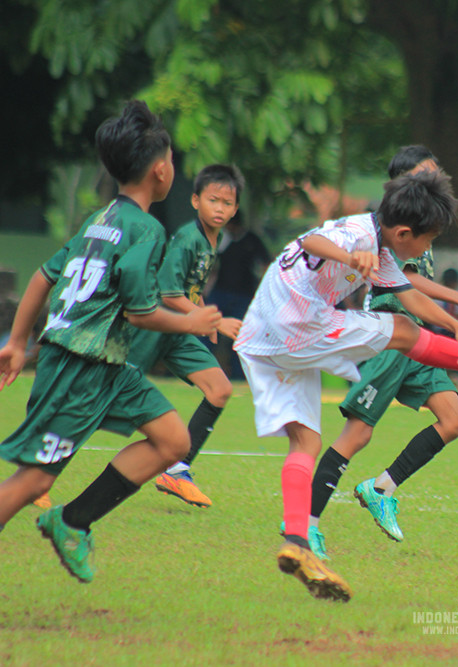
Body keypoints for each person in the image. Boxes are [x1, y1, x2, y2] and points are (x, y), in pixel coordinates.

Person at [233, 167, 458, 602]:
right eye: (428, 239)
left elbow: (411, 293)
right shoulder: (358, 233)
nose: (428, 247)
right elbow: (311, 240)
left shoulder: (384, 250)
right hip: (298, 325)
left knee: (305, 443)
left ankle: (298, 542)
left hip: (261, 337)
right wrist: (350, 258)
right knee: (402, 330)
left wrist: (455, 326)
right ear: (404, 232)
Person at [0, 100, 221, 583]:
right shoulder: (146, 230)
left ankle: (71, 521)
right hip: (78, 364)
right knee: (35, 477)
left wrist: (18, 341)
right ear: (161, 171)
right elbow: (141, 312)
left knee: (172, 439)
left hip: (107, 365)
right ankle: (65, 516)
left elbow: (42, 275)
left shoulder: (99, 218)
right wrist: (193, 321)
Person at [304, 146, 458, 560]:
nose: (435, 177)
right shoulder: (389, 229)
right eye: (426, 172)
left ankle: (382, 488)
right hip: (392, 329)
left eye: (436, 170)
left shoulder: (423, 222)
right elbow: (404, 284)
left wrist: (453, 320)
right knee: (358, 434)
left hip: (419, 332)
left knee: (455, 418)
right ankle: (306, 527)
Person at [127, 164, 246, 508]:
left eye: (227, 203)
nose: (220, 209)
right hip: (154, 325)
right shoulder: (188, 238)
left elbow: (189, 289)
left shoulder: (215, 239)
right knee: (105, 400)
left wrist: (203, 312)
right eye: (213, 200)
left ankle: (177, 472)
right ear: (196, 201)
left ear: (235, 208)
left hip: (180, 329)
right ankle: (44, 467)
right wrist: (214, 322)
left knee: (220, 389)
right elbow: (167, 293)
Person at [205, 215, 271, 380]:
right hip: (220, 291)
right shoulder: (222, 239)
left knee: (241, 336)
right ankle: (202, 370)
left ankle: (238, 376)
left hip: (244, 295)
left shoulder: (252, 240)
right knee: (207, 331)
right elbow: (212, 263)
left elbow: (265, 264)